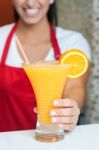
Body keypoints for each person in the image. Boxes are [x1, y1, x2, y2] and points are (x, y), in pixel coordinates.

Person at [0, 0, 91, 132]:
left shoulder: (72, 41)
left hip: (55, 140)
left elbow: (75, 87)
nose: (30, 2)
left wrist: (71, 108)